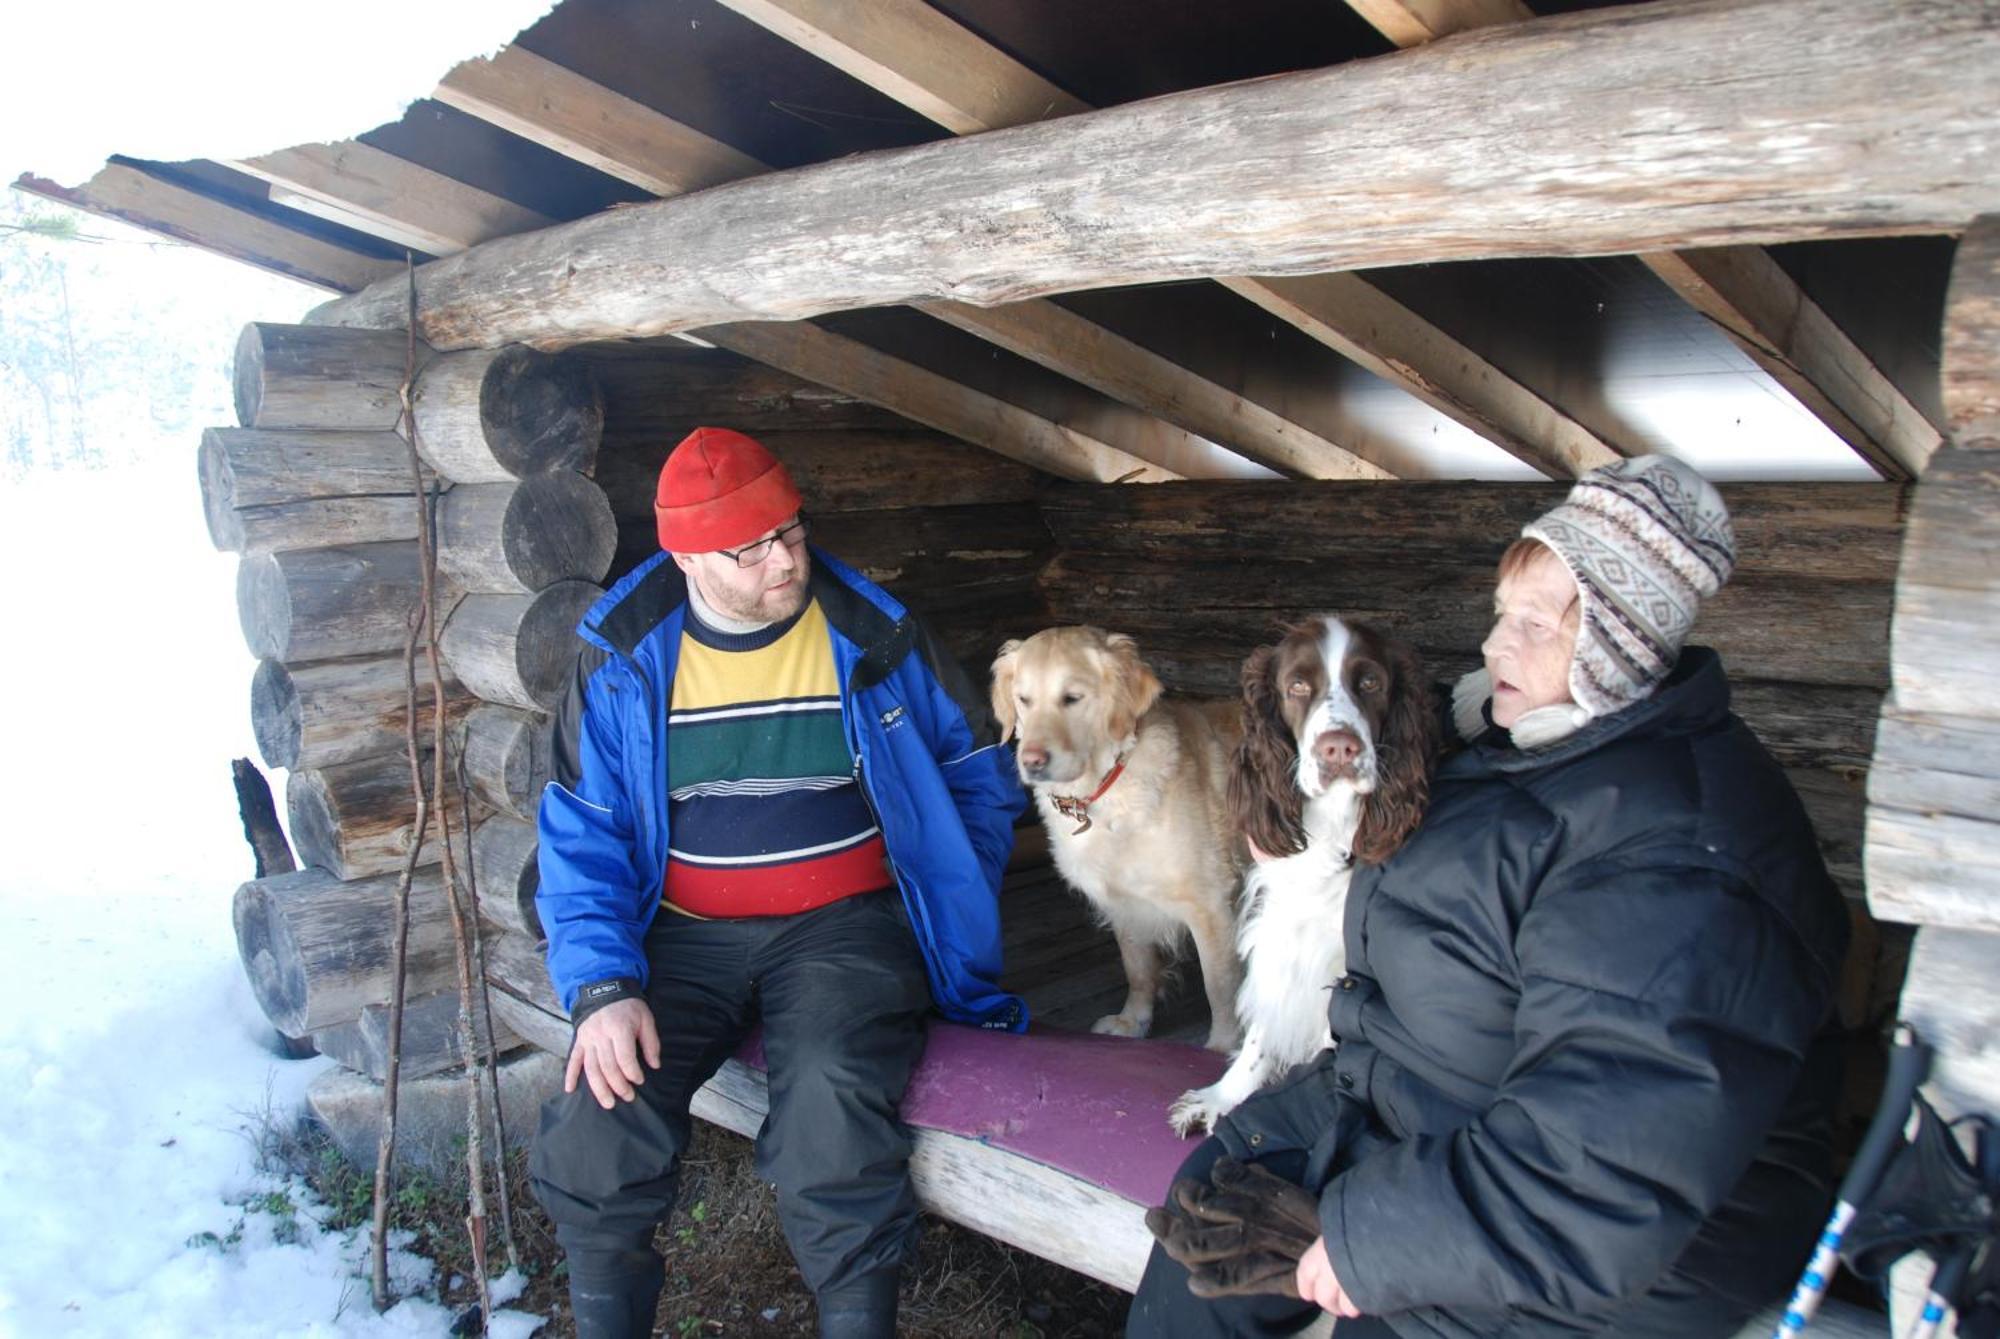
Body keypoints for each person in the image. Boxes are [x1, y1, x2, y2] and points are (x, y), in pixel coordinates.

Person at [1132, 455, 1851, 1338]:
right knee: (1207, 1213)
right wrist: (1306, 787)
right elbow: (1385, 723)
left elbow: (1600, 1171)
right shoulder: (1529, 742)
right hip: (1414, 1107)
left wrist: (1369, 1248)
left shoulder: (1684, 862)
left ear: (1613, 646)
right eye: (1501, 615)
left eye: (1533, 624)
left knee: (1374, 1318)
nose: (1493, 646)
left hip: (1584, 1248)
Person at [527, 426, 1027, 1338]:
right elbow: (582, 833)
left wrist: (953, 885)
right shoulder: (623, 655)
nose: (784, 560)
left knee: (832, 1103)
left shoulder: (872, 629)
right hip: (679, 930)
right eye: (749, 548)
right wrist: (603, 984)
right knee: (601, 1113)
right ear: (683, 557)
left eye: (790, 532)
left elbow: (979, 769)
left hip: (846, 928)